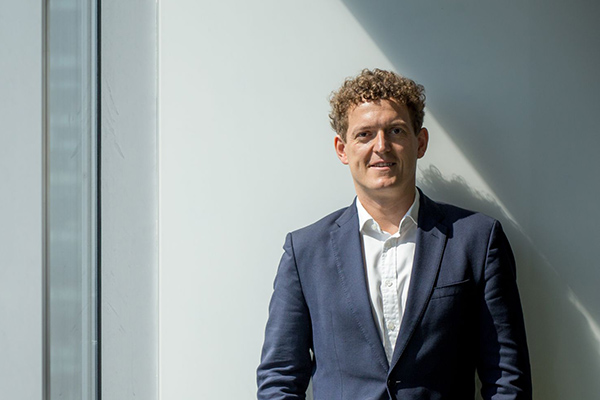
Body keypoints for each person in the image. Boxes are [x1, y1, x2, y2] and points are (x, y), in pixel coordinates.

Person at [257, 69, 532, 400]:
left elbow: (506, 378)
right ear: (342, 149)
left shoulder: (477, 240)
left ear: (420, 142)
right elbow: (280, 378)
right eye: (365, 134)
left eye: (396, 131)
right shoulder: (305, 251)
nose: (381, 146)